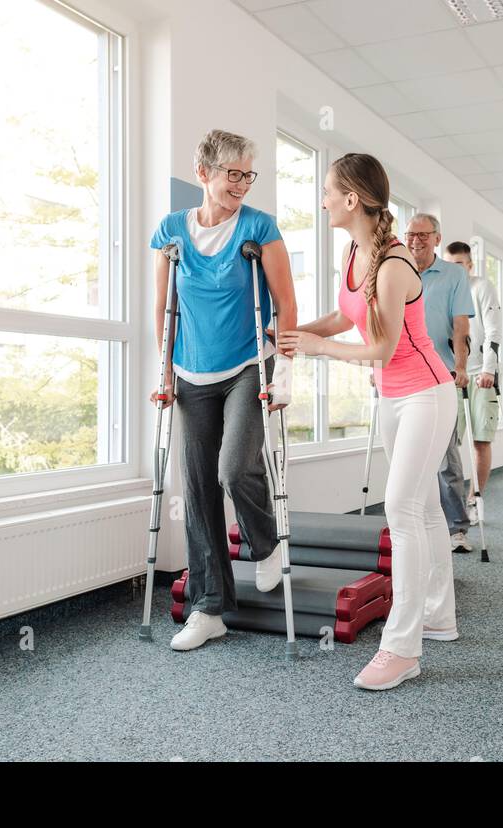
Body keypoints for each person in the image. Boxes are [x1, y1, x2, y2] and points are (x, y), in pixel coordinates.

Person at [281, 153, 457, 691]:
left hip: (427, 394)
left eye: (329, 191)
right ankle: (438, 615)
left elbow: (381, 345)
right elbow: (346, 316)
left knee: (401, 508)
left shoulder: (395, 264)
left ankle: (402, 649)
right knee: (424, 507)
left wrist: (318, 348)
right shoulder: (355, 249)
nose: (324, 200)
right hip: (393, 398)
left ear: (352, 199)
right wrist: (291, 333)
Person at [149, 129, 297, 652]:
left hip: (248, 365)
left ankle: (264, 543)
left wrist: (284, 375)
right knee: (197, 489)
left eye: (247, 174)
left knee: (233, 468)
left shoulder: (259, 227)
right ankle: (210, 608)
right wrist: (164, 372)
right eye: (232, 173)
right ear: (203, 173)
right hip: (191, 372)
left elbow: (284, 305)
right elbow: (164, 312)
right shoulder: (171, 232)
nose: (241, 183)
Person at [404, 214, 476, 553]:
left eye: (422, 234)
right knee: (410, 456)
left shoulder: (454, 274)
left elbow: (460, 325)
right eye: (410, 234)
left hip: (441, 373)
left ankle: (456, 527)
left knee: (446, 457)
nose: (415, 240)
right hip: (403, 375)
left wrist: (461, 366)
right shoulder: (397, 268)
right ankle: (416, 523)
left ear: (436, 238)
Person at [445, 241, 502, 524]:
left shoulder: (482, 287)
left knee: (480, 441)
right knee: (450, 442)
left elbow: (493, 329)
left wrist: (489, 370)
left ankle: (474, 499)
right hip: (453, 375)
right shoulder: (445, 289)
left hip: (481, 375)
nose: (453, 269)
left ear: (469, 265)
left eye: (459, 264)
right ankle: (452, 505)